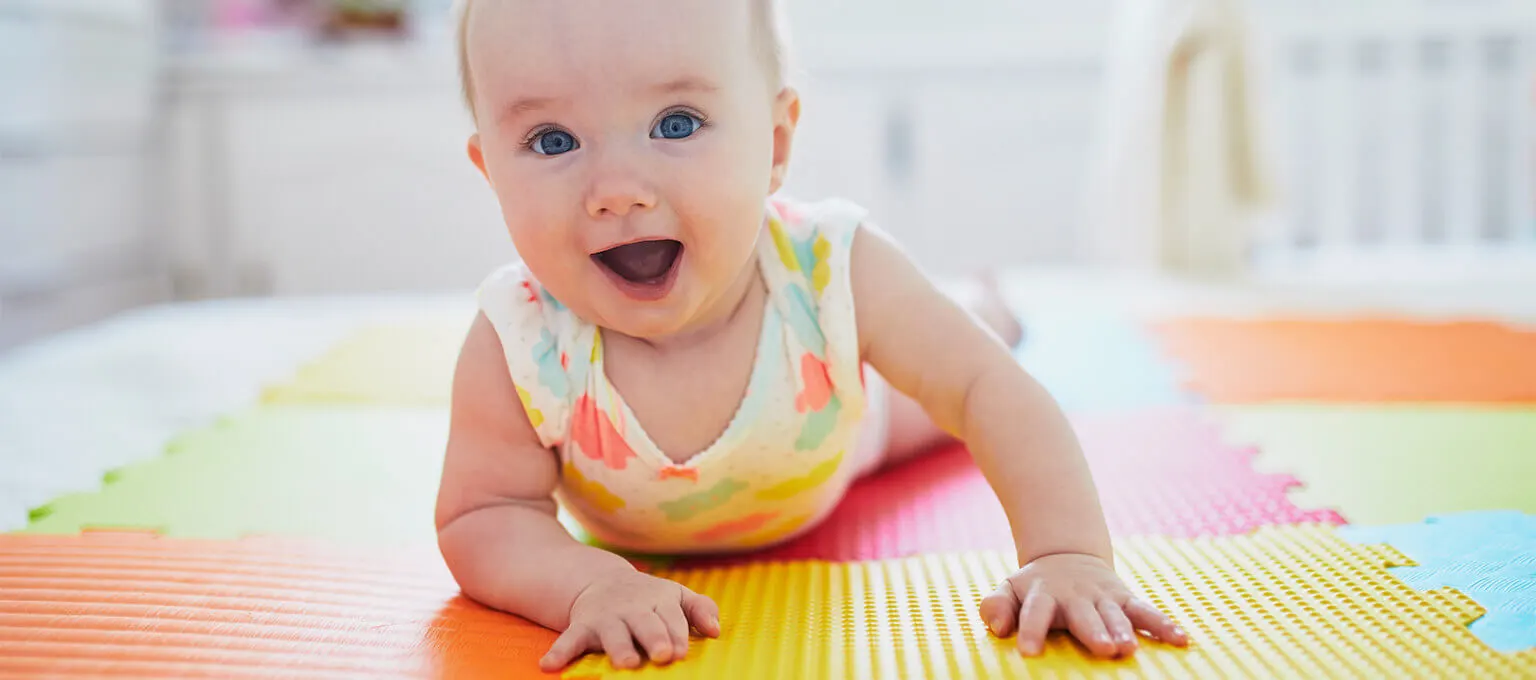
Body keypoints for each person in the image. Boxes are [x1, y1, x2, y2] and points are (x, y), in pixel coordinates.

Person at [434, 0, 1189, 671]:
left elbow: (986, 389)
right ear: (489, 169)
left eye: (677, 124)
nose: (618, 190)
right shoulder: (520, 339)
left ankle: (987, 308)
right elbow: (485, 514)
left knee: (943, 377)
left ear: (775, 143)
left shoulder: (832, 272)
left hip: (839, 424)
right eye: (552, 140)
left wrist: (1067, 553)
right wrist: (587, 584)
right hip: (762, 457)